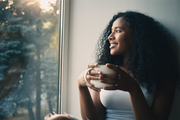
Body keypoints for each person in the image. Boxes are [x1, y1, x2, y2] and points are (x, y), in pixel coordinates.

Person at [77, 11, 180, 120]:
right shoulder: (105, 71)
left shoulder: (163, 78)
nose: (110, 37)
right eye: (111, 31)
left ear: (138, 36)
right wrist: (81, 86)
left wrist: (133, 88)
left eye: (118, 31)